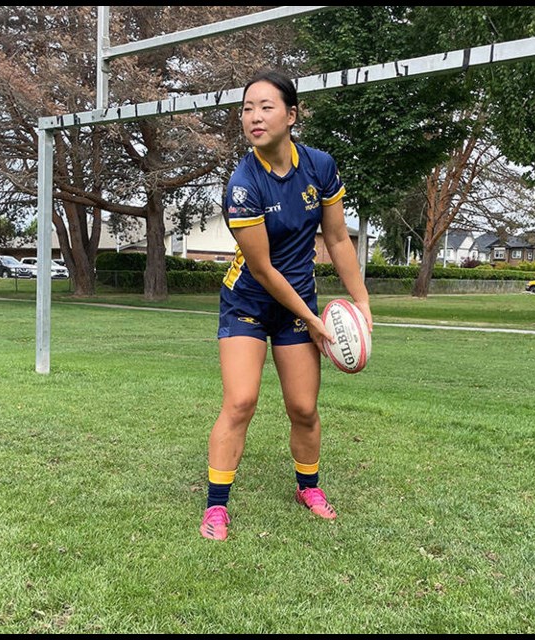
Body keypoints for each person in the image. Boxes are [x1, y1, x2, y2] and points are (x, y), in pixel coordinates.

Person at [200, 70, 373, 541]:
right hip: (249, 302)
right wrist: (316, 321)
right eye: (246, 109)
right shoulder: (242, 184)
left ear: (292, 115)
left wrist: (361, 304)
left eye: (265, 106)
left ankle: (308, 487)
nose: (253, 117)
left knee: (303, 407)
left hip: (300, 305)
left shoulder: (320, 166)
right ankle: (217, 507)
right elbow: (263, 270)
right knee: (240, 401)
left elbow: (337, 239)